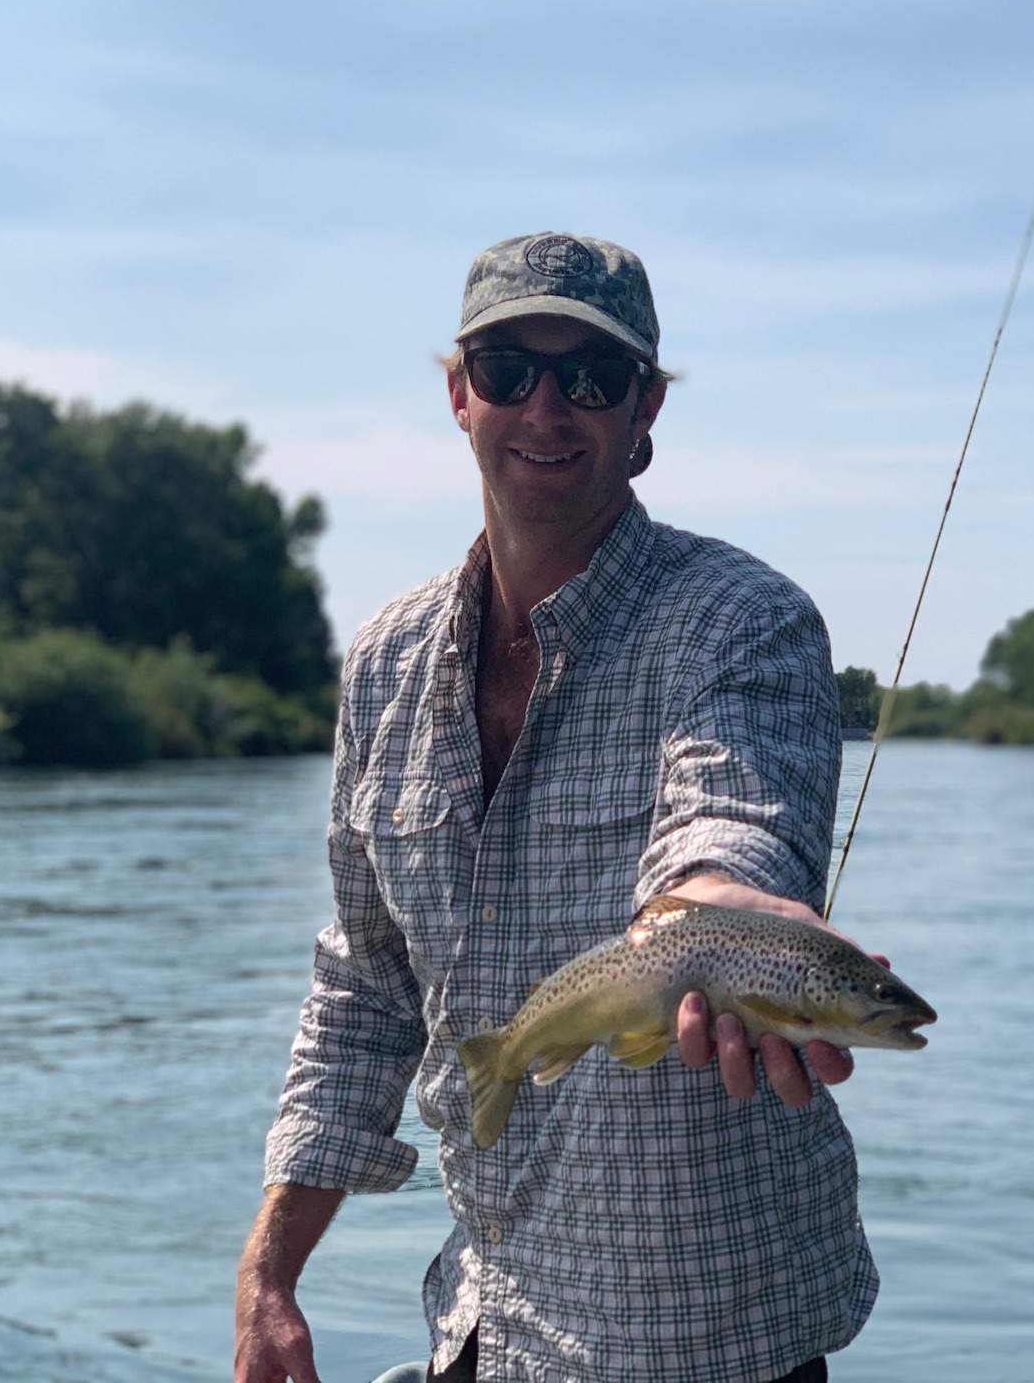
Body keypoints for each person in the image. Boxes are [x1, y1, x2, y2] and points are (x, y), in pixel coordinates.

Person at [234, 233, 878, 1383]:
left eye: (590, 376)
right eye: (508, 367)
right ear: (458, 394)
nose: (546, 404)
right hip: (486, 1322)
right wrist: (271, 1273)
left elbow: (729, 819)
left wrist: (719, 902)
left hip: (711, 1340)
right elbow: (364, 983)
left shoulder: (746, 618)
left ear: (645, 415)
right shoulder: (382, 661)